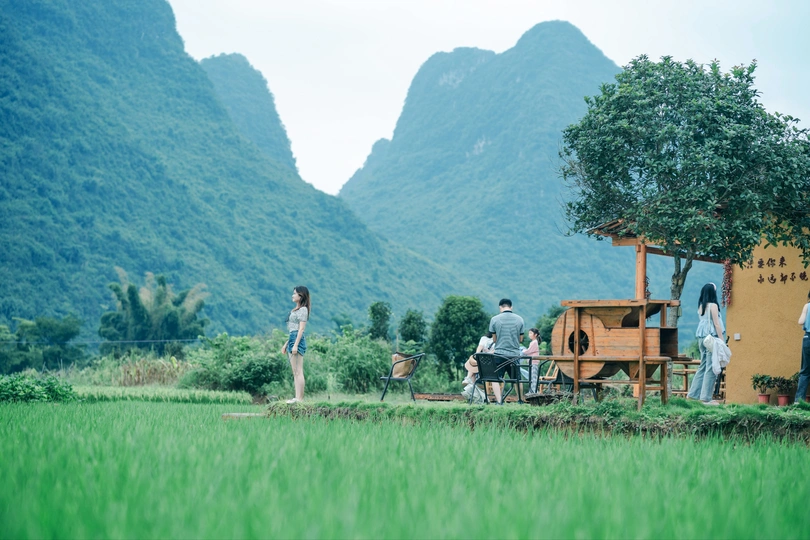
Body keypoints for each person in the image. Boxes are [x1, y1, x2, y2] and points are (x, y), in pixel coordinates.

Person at [687, 283, 725, 405]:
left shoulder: (701, 307)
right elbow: (717, 324)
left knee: (702, 366)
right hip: (711, 338)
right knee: (711, 367)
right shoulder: (713, 306)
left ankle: (693, 395)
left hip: (701, 339)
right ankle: (705, 397)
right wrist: (722, 341)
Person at [488, 298, 525, 403]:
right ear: (511, 307)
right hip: (514, 354)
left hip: (499, 354)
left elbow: (494, 339)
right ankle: (520, 400)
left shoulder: (494, 319)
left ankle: (499, 401)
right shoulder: (520, 319)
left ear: (500, 307)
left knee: (496, 378)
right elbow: (521, 339)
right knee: (517, 378)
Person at [282, 285, 310, 404]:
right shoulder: (296, 310)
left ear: (301, 295)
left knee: (299, 370)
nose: (292, 295)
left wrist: (295, 345)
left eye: (295, 293)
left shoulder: (303, 309)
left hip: (297, 340)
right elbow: (293, 330)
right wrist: (287, 343)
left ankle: (300, 398)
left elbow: (301, 329)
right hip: (292, 338)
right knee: (295, 371)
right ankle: (296, 397)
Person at [795, 290, 810, 404]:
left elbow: (801, 321)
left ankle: (798, 401)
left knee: (805, 371)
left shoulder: (807, 306)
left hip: (807, 339)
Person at [521, 328, 542, 393]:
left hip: (534, 362)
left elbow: (528, 351)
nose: (529, 335)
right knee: (531, 377)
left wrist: (523, 350)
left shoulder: (534, 342)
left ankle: (534, 392)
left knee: (533, 378)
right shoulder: (533, 342)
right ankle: (532, 391)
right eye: (529, 333)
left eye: (530, 333)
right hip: (532, 362)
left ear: (535, 335)